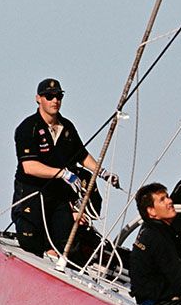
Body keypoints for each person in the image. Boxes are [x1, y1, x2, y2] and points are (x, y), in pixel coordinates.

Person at [11, 78, 119, 257]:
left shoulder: (67, 127)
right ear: (38, 98)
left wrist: (102, 173)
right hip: (32, 191)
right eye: (49, 96)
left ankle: (61, 264)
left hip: (58, 194)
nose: (55, 100)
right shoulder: (28, 127)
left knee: (64, 240)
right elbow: (29, 166)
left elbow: (81, 155)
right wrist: (62, 174)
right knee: (31, 239)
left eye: (58, 96)